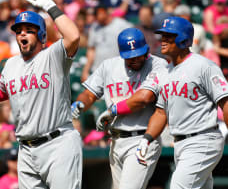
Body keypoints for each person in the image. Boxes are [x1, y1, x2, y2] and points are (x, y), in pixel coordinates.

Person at [0, 0, 82, 189]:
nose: (22, 34)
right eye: (19, 31)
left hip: (58, 143)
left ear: (41, 36)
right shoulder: (12, 63)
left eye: (29, 31)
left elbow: (73, 36)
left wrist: (50, 6)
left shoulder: (53, 56)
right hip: (26, 149)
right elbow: (2, 91)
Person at [135, 16, 228, 189]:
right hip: (180, 144)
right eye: (162, 35)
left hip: (203, 139)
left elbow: (226, 102)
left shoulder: (203, 66)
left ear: (184, 39)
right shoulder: (165, 72)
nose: (163, 40)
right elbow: (160, 112)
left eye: (169, 36)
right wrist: (146, 138)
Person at [71, 28, 168, 189]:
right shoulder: (109, 66)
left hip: (143, 138)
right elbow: (88, 95)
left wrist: (113, 110)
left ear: (146, 50)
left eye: (139, 54)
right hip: (116, 141)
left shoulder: (158, 65)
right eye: (130, 57)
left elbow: (145, 97)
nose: (135, 59)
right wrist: (80, 104)